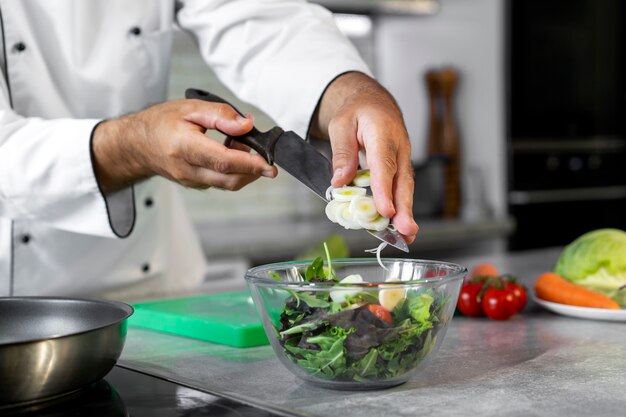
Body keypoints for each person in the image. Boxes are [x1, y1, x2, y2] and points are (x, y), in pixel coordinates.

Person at [0, 0, 418, 299]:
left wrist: (352, 92)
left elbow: (259, 21)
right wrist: (133, 146)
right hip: (15, 307)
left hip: (154, 296)